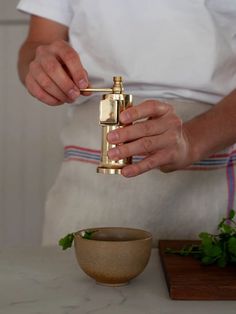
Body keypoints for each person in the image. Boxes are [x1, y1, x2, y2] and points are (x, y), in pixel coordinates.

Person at [17, 0, 236, 246]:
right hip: (87, 166)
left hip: (211, 148)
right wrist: (41, 67)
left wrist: (193, 140)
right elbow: (38, 42)